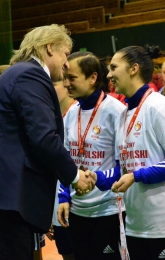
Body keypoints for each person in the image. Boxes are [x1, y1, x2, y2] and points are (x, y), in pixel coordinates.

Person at [0, 24, 96, 260]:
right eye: (65, 54)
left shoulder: (18, 74)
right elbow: (43, 138)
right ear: (49, 48)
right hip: (3, 200)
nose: (67, 64)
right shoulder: (29, 75)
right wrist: (74, 176)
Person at [94, 45, 165, 260]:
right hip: (134, 225)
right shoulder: (123, 115)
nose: (109, 74)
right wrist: (94, 178)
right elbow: (122, 169)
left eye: (114, 67)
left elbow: (133, 173)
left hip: (161, 225)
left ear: (133, 69)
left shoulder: (158, 107)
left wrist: (136, 176)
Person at [57, 51, 126, 260]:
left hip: (108, 211)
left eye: (72, 78)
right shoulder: (71, 112)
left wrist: (99, 179)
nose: (66, 84)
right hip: (77, 212)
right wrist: (63, 196)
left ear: (93, 77)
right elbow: (65, 159)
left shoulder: (116, 111)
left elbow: (124, 165)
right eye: (64, 78)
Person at [51, 80, 76, 260]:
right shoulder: (48, 118)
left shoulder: (79, 113)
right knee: (67, 254)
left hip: (84, 204)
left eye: (53, 84)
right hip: (57, 205)